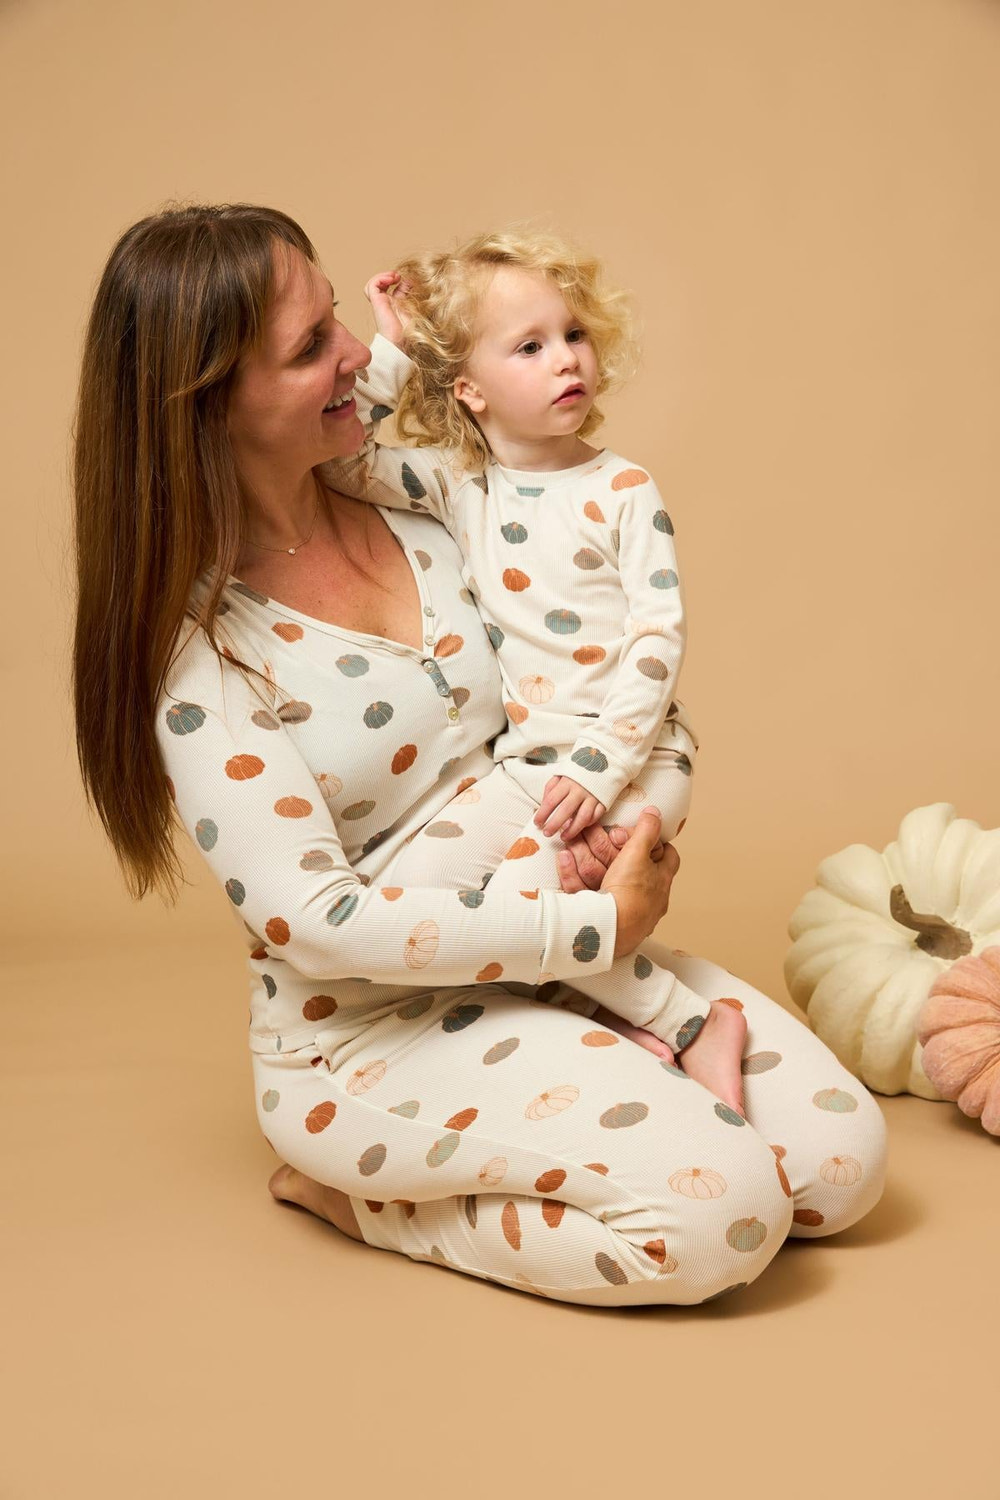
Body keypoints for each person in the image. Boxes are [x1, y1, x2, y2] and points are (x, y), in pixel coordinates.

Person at [72, 203, 888, 1307]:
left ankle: (612, 1075)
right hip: (371, 1031)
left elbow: (603, 681)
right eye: (314, 344)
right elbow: (310, 923)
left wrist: (632, 815)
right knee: (723, 1221)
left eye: (336, 325)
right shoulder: (206, 659)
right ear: (212, 399)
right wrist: (595, 922)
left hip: (553, 946)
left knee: (840, 1173)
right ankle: (357, 1200)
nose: (359, 353)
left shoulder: (434, 504)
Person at [318, 228, 707, 1048]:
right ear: (469, 391)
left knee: (529, 908)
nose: (566, 360)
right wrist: (390, 349)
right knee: (409, 899)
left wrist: (603, 769)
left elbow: (657, 635)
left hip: (631, 762)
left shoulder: (623, 489)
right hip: (527, 769)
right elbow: (340, 466)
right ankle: (592, 1016)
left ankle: (693, 1027)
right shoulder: (464, 488)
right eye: (529, 346)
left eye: (572, 335)